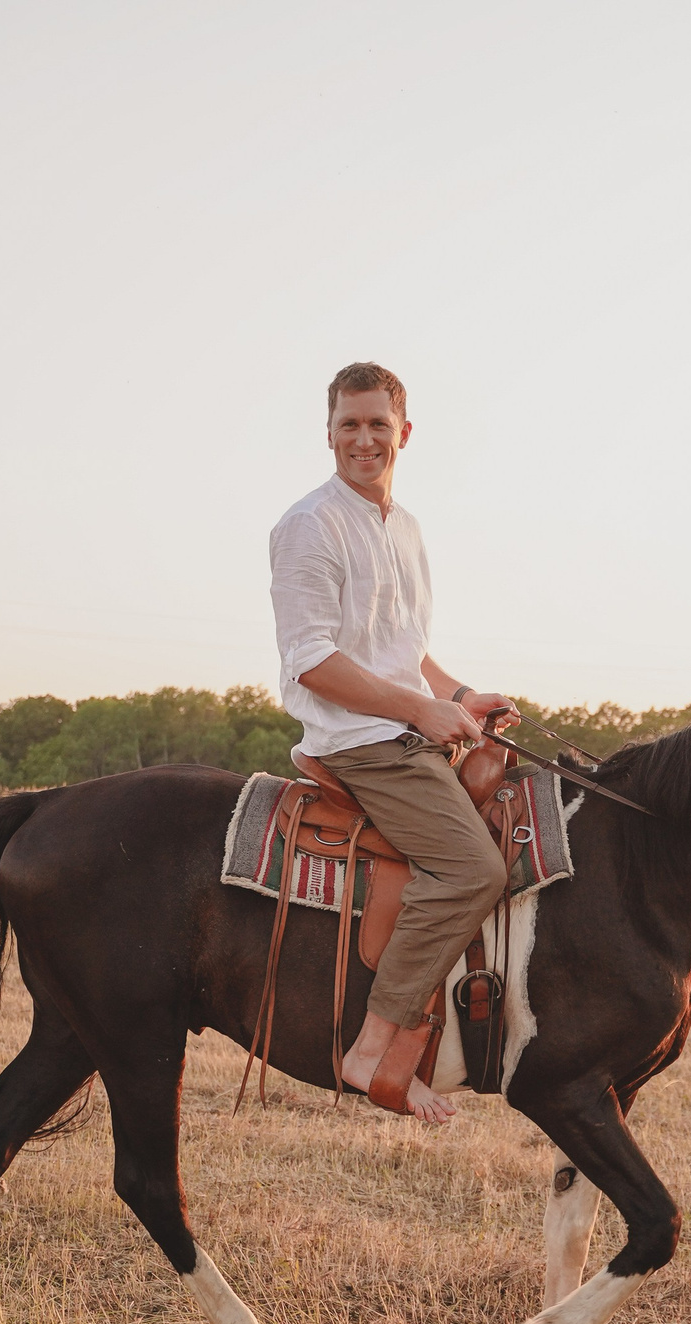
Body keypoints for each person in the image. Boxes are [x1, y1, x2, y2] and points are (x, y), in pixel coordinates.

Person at [268, 362, 519, 1123]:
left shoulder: (404, 527)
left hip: (406, 725)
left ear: (404, 433)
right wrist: (420, 710)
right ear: (329, 434)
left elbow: (403, 649)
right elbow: (311, 659)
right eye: (349, 424)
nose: (364, 439)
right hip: (361, 741)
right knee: (472, 868)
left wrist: (458, 696)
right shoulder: (310, 525)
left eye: (378, 424)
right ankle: (373, 1049)